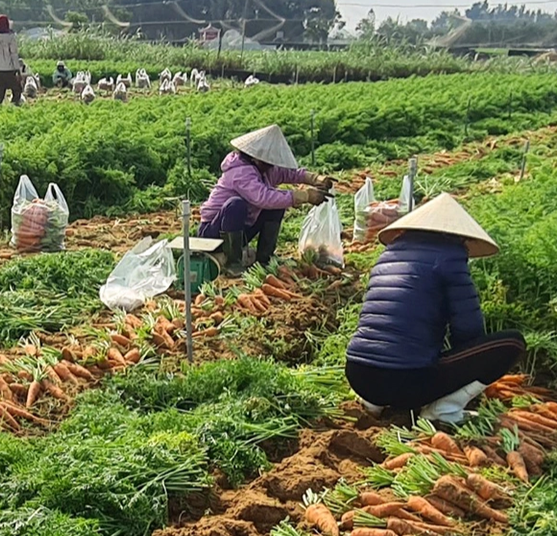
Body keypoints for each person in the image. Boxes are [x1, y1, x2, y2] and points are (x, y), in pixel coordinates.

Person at [344, 194, 524, 426]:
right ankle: (443, 410)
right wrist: (459, 366)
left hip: (358, 374)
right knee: (512, 343)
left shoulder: (388, 254)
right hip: (404, 383)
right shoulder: (450, 256)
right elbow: (469, 330)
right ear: (457, 235)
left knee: (394, 344)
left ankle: (373, 404)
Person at [198, 125, 331, 268]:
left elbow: (288, 173)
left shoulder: (263, 169)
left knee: (277, 206)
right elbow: (263, 197)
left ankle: (264, 258)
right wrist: (304, 196)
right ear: (256, 158)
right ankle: (233, 264)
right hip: (213, 234)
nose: (271, 166)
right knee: (236, 205)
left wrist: (315, 179)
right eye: (268, 162)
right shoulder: (240, 172)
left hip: (239, 231)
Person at [0, 14, 23, 105]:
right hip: (8, 69)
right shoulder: (10, 38)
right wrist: (17, 69)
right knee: (17, 89)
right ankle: (14, 107)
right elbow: (13, 54)